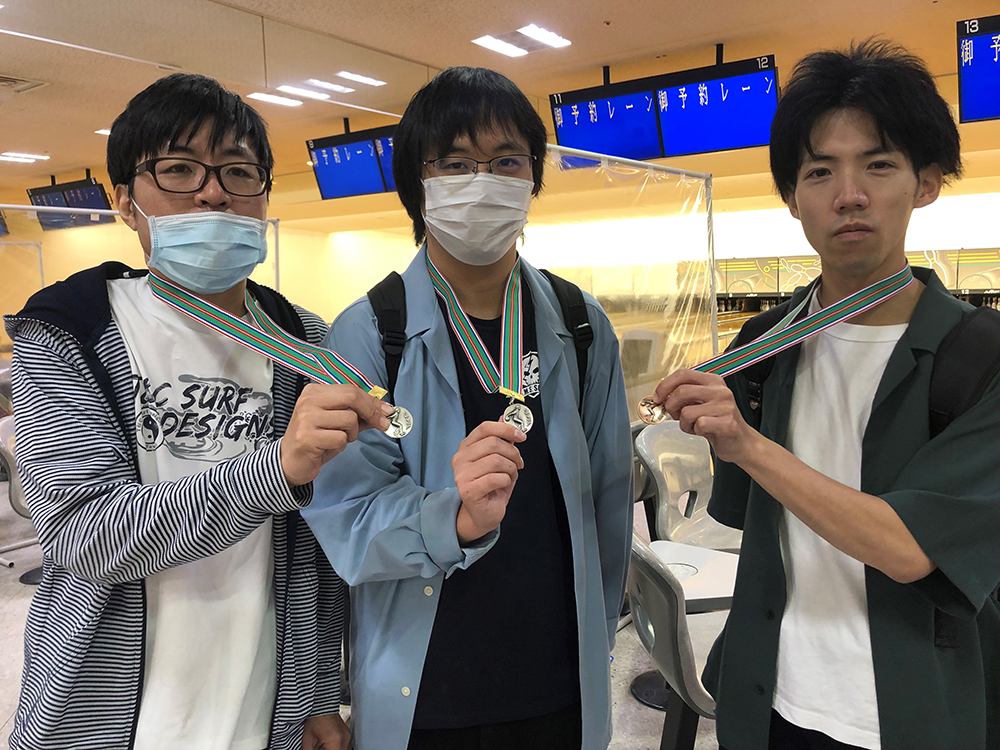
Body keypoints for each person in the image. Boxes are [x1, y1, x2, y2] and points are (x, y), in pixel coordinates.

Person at [3, 73, 392, 750]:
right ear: (125, 201)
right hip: (110, 713)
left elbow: (320, 540)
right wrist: (276, 470)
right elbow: (81, 533)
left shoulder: (304, 338)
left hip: (264, 704)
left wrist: (317, 695)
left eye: (239, 171)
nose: (213, 192)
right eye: (178, 169)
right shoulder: (71, 329)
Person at [651, 40, 999, 750]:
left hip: (908, 711)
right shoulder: (764, 343)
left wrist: (747, 444)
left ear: (927, 183)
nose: (849, 194)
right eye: (819, 171)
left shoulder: (981, 356)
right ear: (792, 199)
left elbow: (909, 550)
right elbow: (746, 518)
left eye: (879, 164)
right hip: (770, 697)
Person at [302, 67, 633, 750]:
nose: (482, 181)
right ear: (417, 186)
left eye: (507, 161)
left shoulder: (580, 323)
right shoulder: (371, 331)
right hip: (427, 690)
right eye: (455, 164)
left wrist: (600, 629)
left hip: (559, 680)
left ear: (532, 178)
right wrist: (453, 519)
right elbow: (346, 517)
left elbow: (608, 496)